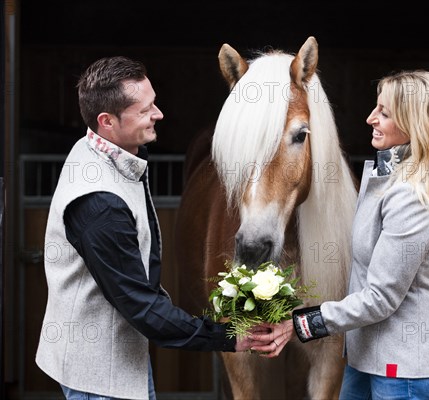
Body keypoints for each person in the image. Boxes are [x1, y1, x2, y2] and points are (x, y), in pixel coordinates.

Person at [35, 56, 271, 400]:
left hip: (118, 358)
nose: (158, 114)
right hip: (100, 377)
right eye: (145, 110)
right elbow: (141, 306)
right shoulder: (99, 203)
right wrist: (228, 336)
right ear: (107, 121)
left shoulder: (101, 149)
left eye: (154, 103)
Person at [254, 70, 429, 399]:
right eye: (375, 108)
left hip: (405, 368)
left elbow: (380, 297)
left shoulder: (411, 196)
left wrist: (299, 322)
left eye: (384, 113)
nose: (370, 118)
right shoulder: (383, 176)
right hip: (368, 358)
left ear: (414, 124)